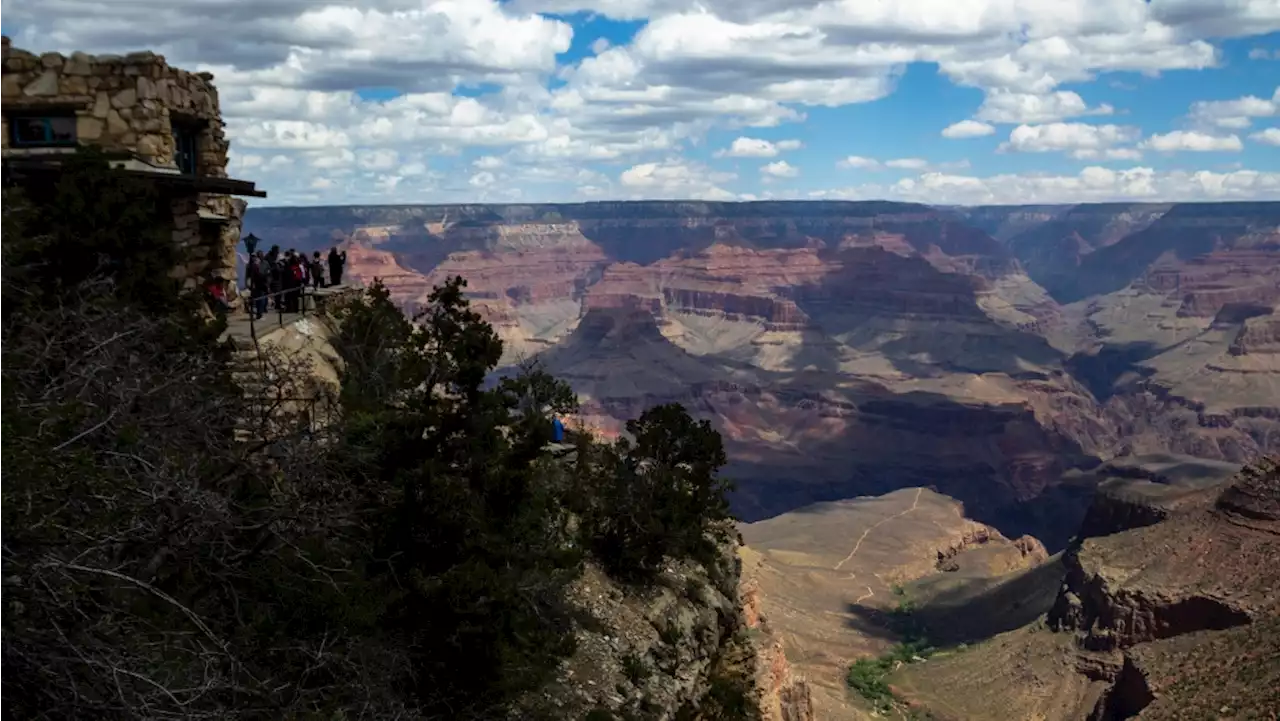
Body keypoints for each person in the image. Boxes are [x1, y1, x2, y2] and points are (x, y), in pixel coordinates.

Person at [247, 252, 269, 319]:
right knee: (260, 300)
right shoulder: (255, 268)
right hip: (259, 286)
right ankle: (259, 314)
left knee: (259, 300)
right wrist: (265, 275)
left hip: (257, 286)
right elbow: (259, 276)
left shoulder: (253, 267)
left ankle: (259, 313)